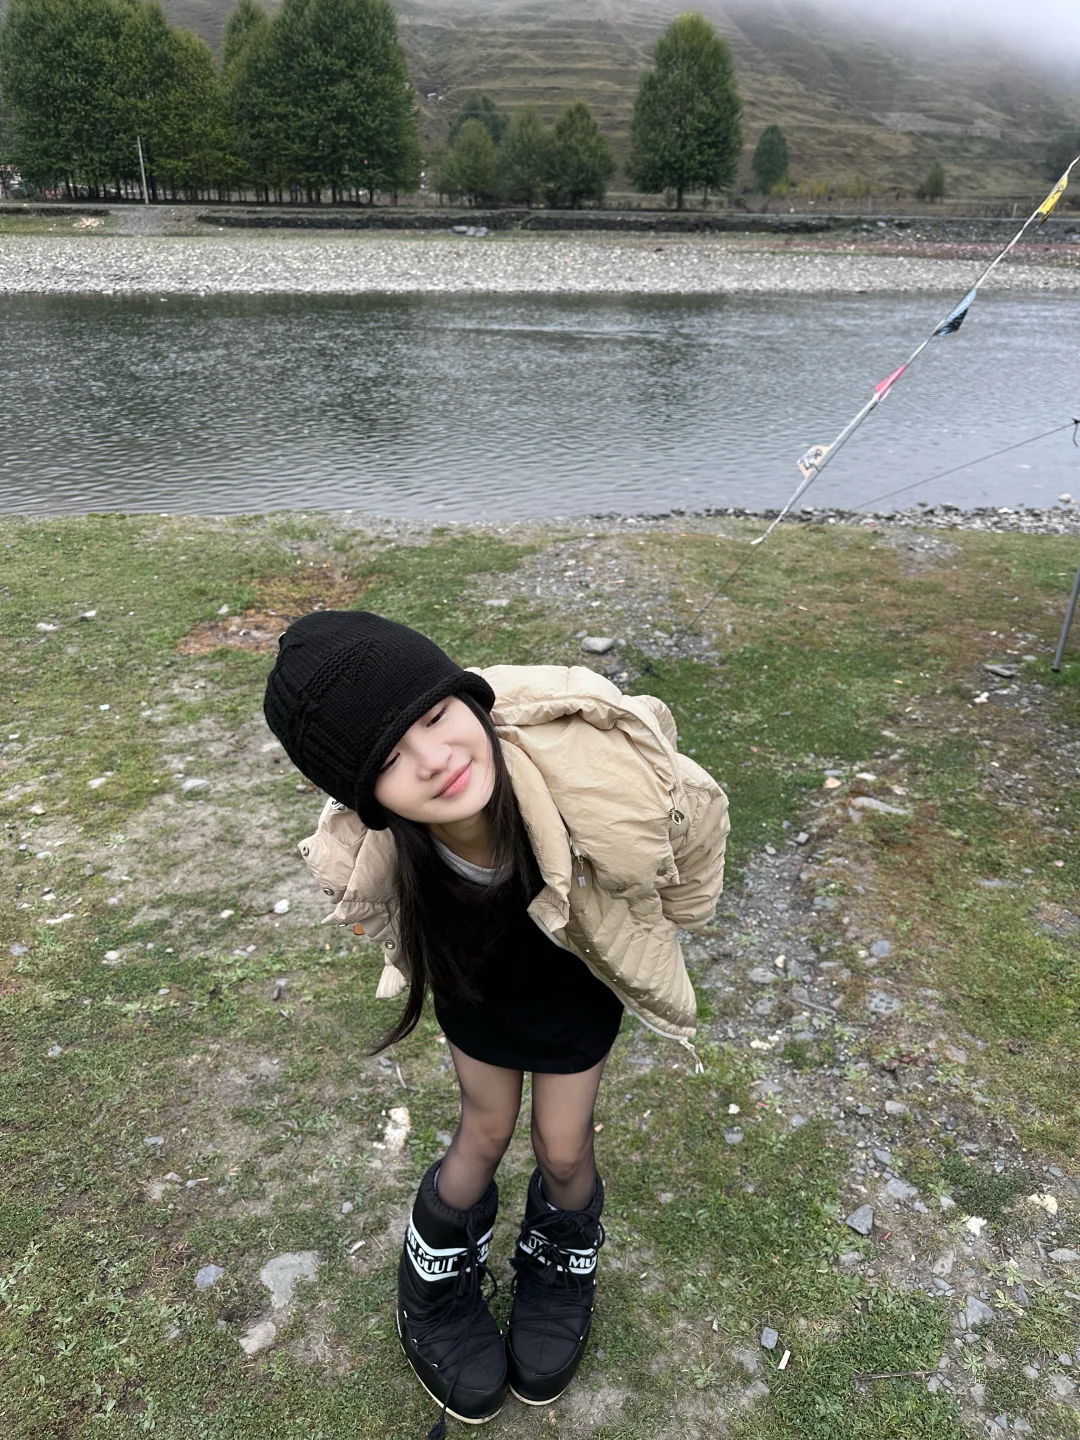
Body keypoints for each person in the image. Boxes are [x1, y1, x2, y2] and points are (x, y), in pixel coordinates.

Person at [263, 610, 729, 1436]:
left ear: (468, 696)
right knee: (483, 1131)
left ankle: (558, 1262)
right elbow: (380, 909)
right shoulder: (387, 854)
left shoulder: (592, 788)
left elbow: (697, 811)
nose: (433, 759)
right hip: (475, 988)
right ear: (366, 798)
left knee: (563, 1147)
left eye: (435, 716)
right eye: (389, 760)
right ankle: (434, 1286)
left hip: (573, 986)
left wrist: (685, 909)